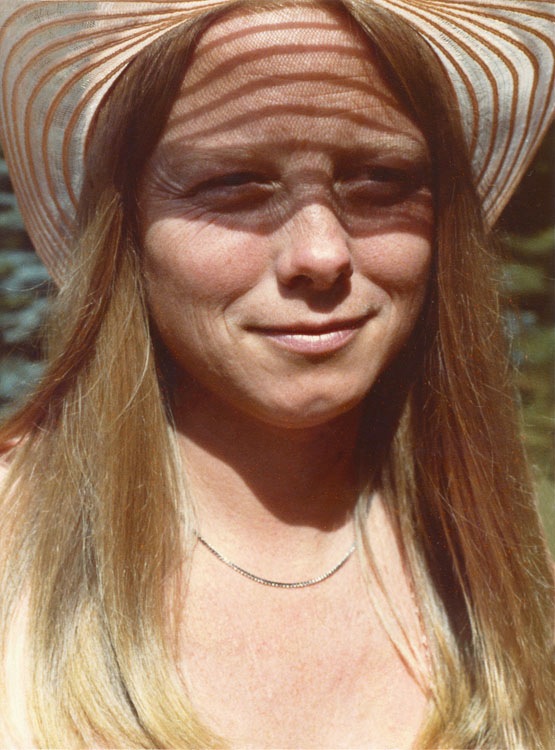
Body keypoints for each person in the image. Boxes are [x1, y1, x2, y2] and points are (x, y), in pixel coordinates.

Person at [0, 0, 553, 747]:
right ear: (126, 230)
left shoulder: (503, 556)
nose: (321, 254)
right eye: (235, 184)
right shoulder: (14, 546)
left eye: (380, 180)